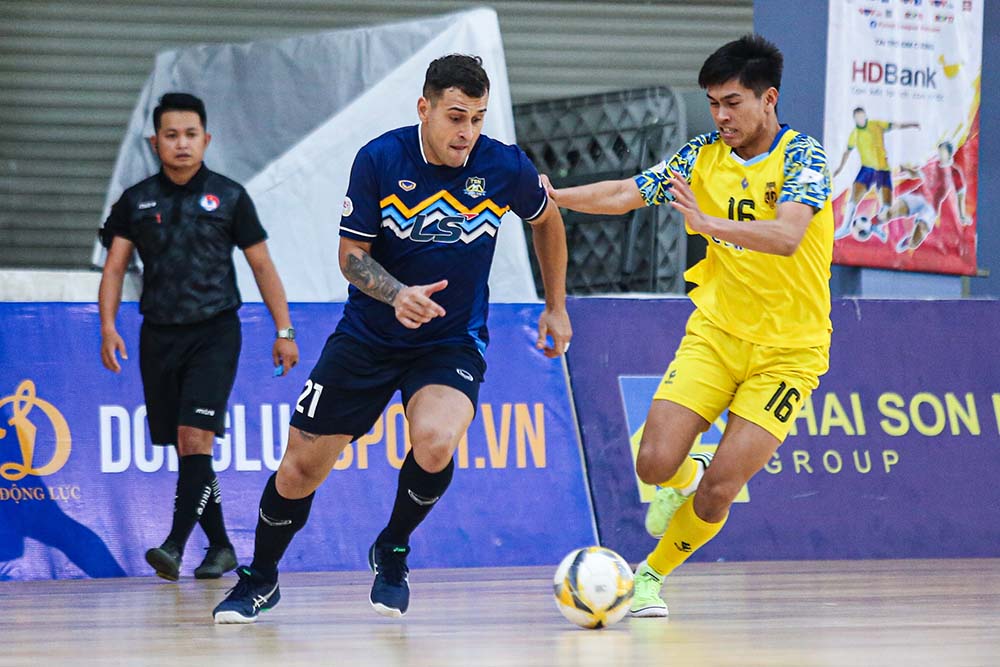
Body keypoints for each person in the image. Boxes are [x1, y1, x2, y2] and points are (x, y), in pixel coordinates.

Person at [212, 54, 571, 624]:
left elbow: (546, 219)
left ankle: (394, 547)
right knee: (300, 468)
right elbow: (351, 257)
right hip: (368, 337)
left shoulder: (505, 166)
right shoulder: (380, 159)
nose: (467, 132)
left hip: (449, 341)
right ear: (424, 108)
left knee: (437, 441)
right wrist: (397, 294)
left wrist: (555, 306)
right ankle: (261, 577)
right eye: (456, 117)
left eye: (478, 118)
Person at [544, 34, 833, 617]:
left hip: (789, 354)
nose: (721, 116)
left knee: (721, 488)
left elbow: (786, 235)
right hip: (717, 334)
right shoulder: (701, 156)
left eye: (733, 102)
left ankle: (649, 577)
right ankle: (683, 473)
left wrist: (709, 223)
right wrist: (552, 195)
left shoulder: (804, 157)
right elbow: (625, 192)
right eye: (713, 104)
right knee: (653, 463)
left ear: (768, 99)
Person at [98, 92, 300, 581]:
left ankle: (174, 544)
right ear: (155, 142)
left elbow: (262, 265)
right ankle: (222, 547)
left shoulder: (229, 196)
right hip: (158, 335)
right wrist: (107, 326)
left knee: (195, 436)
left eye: (191, 135)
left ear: (206, 140)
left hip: (215, 332)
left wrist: (284, 330)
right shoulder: (135, 201)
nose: (182, 144)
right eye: (171, 135)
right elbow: (115, 267)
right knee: (188, 448)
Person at [832, 107, 919, 239]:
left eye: (862, 116)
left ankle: (877, 227)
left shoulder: (876, 124)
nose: (860, 119)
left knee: (887, 204)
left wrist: (912, 124)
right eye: (858, 117)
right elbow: (847, 152)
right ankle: (845, 227)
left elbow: (895, 125)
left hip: (883, 169)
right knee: (854, 196)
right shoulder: (854, 134)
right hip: (867, 169)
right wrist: (839, 168)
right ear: (854, 119)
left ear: (865, 116)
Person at [889, 141, 971, 253]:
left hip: (931, 207)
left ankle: (910, 241)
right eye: (939, 151)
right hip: (916, 197)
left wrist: (962, 214)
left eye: (943, 152)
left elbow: (960, 193)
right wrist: (904, 169)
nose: (940, 154)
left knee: (914, 243)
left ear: (949, 154)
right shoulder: (932, 164)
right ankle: (872, 225)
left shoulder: (954, 172)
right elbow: (916, 173)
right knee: (890, 212)